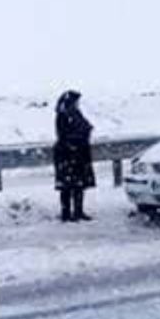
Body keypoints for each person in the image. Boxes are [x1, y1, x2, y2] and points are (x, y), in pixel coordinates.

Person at [53, 90, 96, 222]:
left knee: (79, 185)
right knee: (66, 186)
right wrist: (76, 141)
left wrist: (83, 134)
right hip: (67, 154)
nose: (78, 104)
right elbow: (64, 135)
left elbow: (87, 127)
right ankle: (66, 213)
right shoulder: (62, 115)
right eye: (76, 102)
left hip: (79, 153)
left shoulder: (76, 113)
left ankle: (78, 211)